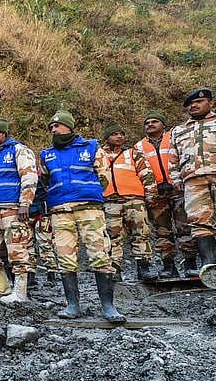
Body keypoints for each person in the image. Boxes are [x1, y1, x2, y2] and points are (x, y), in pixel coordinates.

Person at [39, 110, 126, 323]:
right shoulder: (46, 155)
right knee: (65, 256)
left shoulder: (91, 147)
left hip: (89, 208)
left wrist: (90, 194)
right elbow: (44, 182)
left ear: (69, 126)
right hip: (60, 210)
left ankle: (108, 306)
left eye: (57, 126)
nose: (53, 129)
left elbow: (104, 176)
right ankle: (72, 305)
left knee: (100, 253)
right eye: (51, 127)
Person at [169, 88, 216, 267]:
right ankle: (209, 264)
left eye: (198, 102)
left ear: (210, 103)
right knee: (198, 220)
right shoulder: (178, 130)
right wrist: (176, 179)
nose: (193, 106)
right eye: (190, 104)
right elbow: (173, 157)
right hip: (192, 180)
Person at [0, 118, 38, 303]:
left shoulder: (19, 150)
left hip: (13, 208)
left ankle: (20, 292)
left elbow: (29, 176)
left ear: (3, 133)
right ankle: (2, 286)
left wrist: (25, 203)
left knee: (17, 249)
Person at [135, 110, 195, 278]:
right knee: (162, 231)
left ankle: (191, 264)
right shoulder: (138, 146)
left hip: (178, 189)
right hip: (156, 193)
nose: (150, 125)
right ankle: (168, 266)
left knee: (185, 227)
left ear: (163, 124)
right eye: (147, 123)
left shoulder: (174, 138)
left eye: (154, 121)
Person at [100, 121, 157, 281]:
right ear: (106, 138)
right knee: (112, 237)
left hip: (135, 201)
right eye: (114, 134)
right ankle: (114, 270)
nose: (119, 136)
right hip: (110, 201)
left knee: (141, 234)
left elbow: (147, 174)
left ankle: (144, 268)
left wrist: (151, 194)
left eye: (121, 134)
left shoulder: (133, 154)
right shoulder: (98, 155)